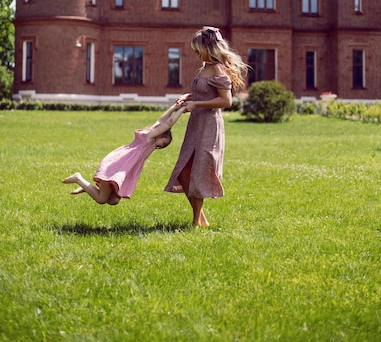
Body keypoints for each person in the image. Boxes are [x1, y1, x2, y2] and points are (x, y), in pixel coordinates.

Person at [164, 26, 248, 227]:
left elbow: (226, 101)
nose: (195, 51)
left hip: (210, 126)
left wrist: (197, 104)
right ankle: (201, 220)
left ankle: (196, 222)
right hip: (196, 125)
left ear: (208, 47)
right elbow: (205, 93)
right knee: (184, 171)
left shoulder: (218, 69)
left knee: (200, 171)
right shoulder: (204, 68)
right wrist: (189, 97)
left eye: (197, 47)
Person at [62, 100, 186, 205]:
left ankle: (88, 188)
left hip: (125, 168)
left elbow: (161, 120)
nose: (161, 147)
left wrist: (174, 107)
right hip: (119, 165)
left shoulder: (151, 140)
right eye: (164, 143)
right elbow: (167, 123)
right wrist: (182, 110)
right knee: (101, 199)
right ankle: (78, 178)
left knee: (114, 200)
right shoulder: (148, 136)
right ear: (160, 135)